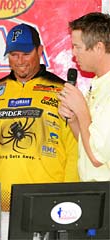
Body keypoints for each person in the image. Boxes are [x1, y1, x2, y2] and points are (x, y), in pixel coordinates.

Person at [0, 23, 79, 212]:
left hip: (49, 199)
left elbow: (74, 149)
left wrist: (68, 193)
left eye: (26, 53)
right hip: (2, 202)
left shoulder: (63, 90)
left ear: (40, 51)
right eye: (14, 55)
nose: (20, 61)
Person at [58, 12, 110, 181]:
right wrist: (73, 118)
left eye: (77, 47)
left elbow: (96, 157)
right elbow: (87, 143)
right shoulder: (97, 84)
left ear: (99, 48)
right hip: (94, 190)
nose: (73, 53)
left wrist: (81, 110)